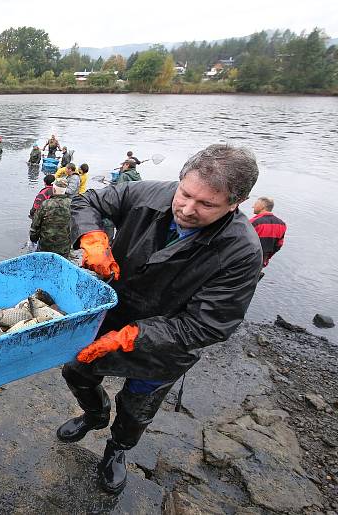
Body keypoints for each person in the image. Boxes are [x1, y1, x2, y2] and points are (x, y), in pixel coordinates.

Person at [58, 144, 262, 495]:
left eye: (206, 205)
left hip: (164, 346)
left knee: (138, 407)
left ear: (235, 204)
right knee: (75, 371)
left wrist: (132, 337)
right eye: (185, 193)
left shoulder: (242, 251)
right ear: (181, 179)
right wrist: (92, 238)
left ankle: (117, 450)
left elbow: (209, 325)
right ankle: (93, 415)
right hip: (111, 314)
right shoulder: (146, 192)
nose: (187, 208)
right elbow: (87, 200)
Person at [29, 177, 73, 259]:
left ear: (54, 189)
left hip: (45, 246)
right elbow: (75, 226)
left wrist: (33, 239)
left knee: (43, 266)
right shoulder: (72, 205)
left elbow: (35, 225)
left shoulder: (46, 204)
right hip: (64, 248)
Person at [249, 196, 285, 267]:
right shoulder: (282, 224)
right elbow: (279, 245)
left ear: (262, 206)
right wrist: (266, 259)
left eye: (255, 204)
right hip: (261, 262)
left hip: (246, 261)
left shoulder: (254, 222)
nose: (253, 206)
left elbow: (242, 242)